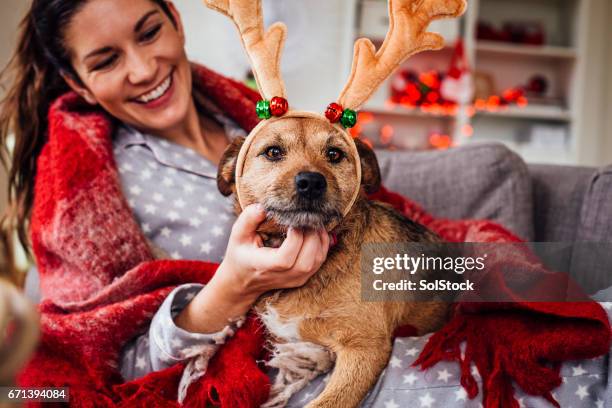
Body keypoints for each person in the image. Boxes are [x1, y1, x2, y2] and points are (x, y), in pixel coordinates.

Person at [0, 1, 609, 407]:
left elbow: (385, 228)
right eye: (106, 61)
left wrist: (487, 268)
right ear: (79, 83)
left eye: (149, 32)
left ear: (176, 24)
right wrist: (230, 287)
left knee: (565, 320)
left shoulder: (257, 113)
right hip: (271, 362)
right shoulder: (82, 194)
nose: (142, 68)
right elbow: (101, 363)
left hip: (376, 292)